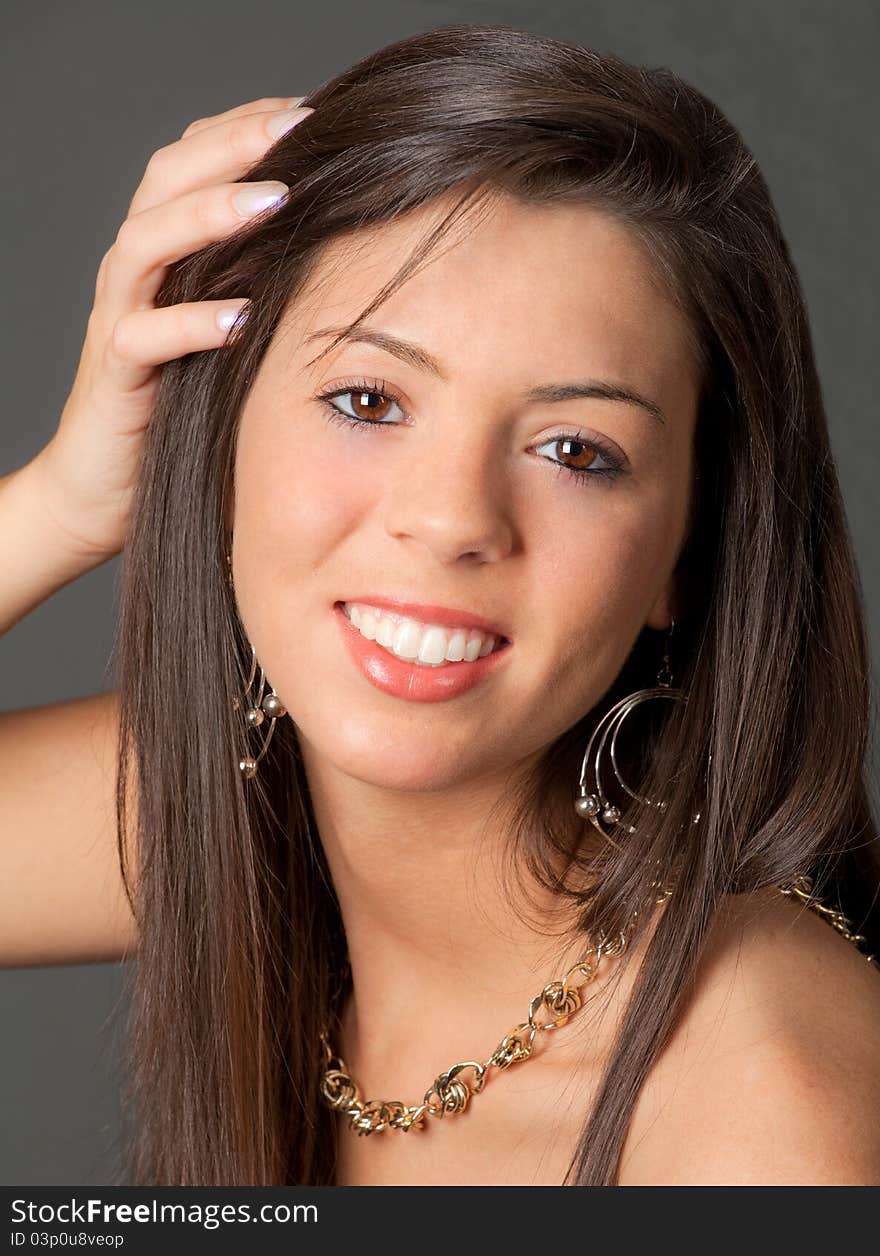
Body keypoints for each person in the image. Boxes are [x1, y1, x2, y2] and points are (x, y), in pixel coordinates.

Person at [2, 22, 879, 1188]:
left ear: (684, 549)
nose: (454, 517)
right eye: (367, 398)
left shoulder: (764, 1099)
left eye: (576, 448)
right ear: (218, 437)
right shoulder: (241, 807)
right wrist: (60, 501)